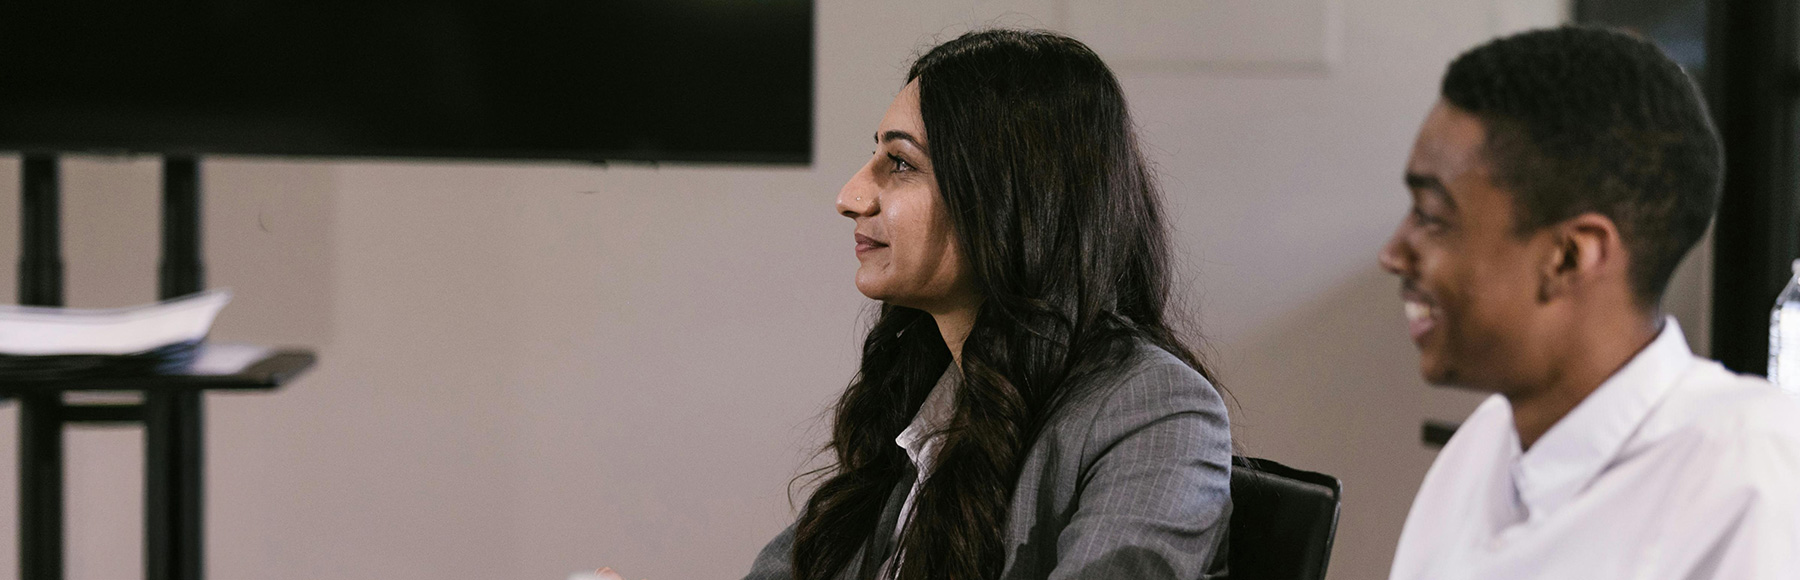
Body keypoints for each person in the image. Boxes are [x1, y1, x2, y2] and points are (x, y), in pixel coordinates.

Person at [738, 29, 1231, 580]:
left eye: (900, 163)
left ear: (1012, 193)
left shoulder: (1154, 408)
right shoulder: (926, 384)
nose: (850, 196)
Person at [1381, 26, 1800, 579]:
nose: (1393, 253)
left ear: (1570, 257)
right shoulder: (1482, 445)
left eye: (1432, 217)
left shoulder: (1750, 472)